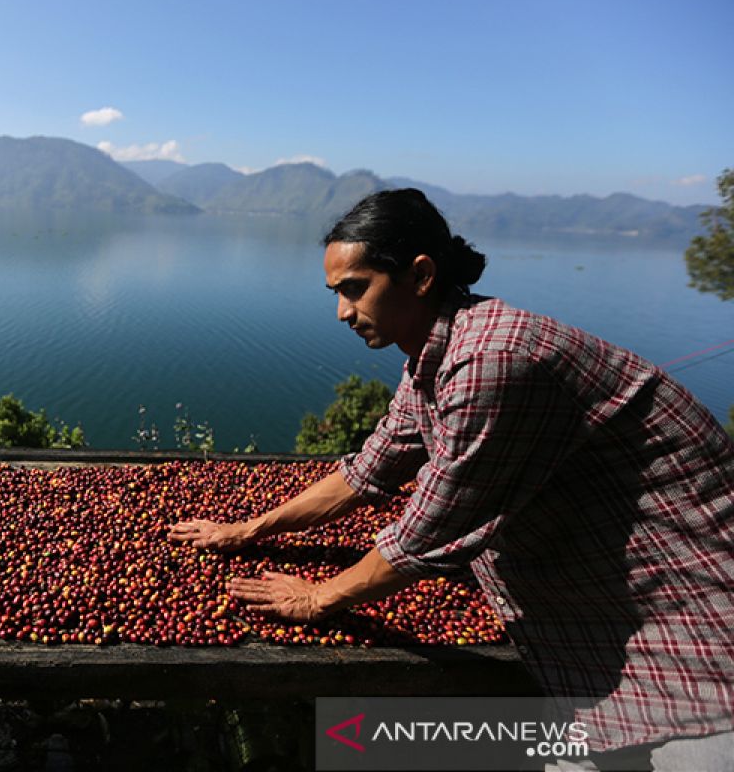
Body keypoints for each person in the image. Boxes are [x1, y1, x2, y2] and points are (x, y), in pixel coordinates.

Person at [168, 189, 734, 770]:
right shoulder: (436, 359)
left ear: (419, 275)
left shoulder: (492, 361)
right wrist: (247, 529)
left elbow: (428, 532)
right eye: (336, 293)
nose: (341, 312)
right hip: (586, 618)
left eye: (354, 288)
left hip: (691, 639)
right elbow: (368, 471)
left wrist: (319, 597)